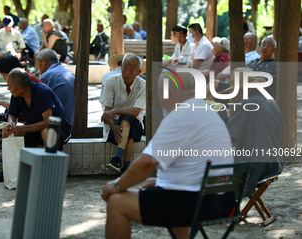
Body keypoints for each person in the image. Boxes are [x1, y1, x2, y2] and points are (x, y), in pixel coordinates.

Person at [101, 71, 234, 239]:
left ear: (168, 93)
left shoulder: (180, 115)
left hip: (197, 202)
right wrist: (162, 181)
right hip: (221, 199)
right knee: (163, 191)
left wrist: (117, 185)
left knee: (116, 202)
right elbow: (198, 164)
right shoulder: (207, 112)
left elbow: (147, 163)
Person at [224, 67, 283, 197]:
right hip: (274, 163)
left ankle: (228, 210)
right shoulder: (269, 100)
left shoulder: (248, 104)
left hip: (255, 168)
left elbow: (228, 140)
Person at [100, 53, 145, 174]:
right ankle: (125, 169)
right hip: (114, 126)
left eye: (132, 69)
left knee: (127, 119)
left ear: (139, 71)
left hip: (136, 124)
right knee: (128, 132)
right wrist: (114, 128)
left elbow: (136, 111)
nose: (127, 72)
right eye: (125, 67)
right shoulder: (111, 81)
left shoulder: (143, 85)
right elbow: (107, 111)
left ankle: (117, 159)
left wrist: (116, 111)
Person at [36, 49, 75, 126]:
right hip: (71, 120)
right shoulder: (69, 72)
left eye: (37, 62)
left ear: (44, 61)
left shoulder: (46, 76)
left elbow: (38, 102)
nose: (37, 66)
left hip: (56, 123)